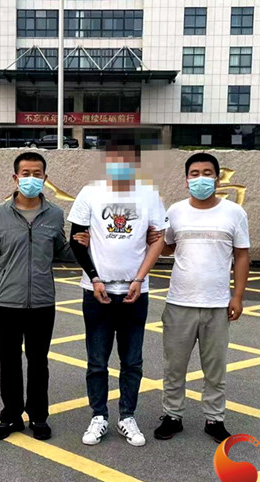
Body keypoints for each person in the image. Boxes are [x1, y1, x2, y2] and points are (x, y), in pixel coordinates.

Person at [0, 151, 87, 441]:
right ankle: (11, 417)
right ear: (15, 177)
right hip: (5, 302)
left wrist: (81, 244)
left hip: (41, 302)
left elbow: (60, 252)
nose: (31, 178)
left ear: (45, 178)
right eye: (25, 173)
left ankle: (39, 417)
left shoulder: (54, 214)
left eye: (37, 174)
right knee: (9, 362)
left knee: (39, 363)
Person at [68, 138, 168, 447]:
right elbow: (76, 240)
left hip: (134, 292)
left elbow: (158, 240)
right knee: (97, 361)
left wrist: (140, 278)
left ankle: (127, 416)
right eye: (114, 159)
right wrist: (95, 278)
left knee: (132, 360)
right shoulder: (90, 192)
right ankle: (99, 416)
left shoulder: (149, 195)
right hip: (96, 292)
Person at [153, 152, 250, 444]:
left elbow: (242, 256)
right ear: (186, 180)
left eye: (207, 173)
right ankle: (172, 415)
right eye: (194, 174)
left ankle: (214, 419)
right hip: (179, 302)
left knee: (215, 368)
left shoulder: (234, 213)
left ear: (217, 179)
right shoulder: (176, 211)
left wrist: (238, 296)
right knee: (174, 366)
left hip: (217, 305)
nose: (200, 179)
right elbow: (167, 246)